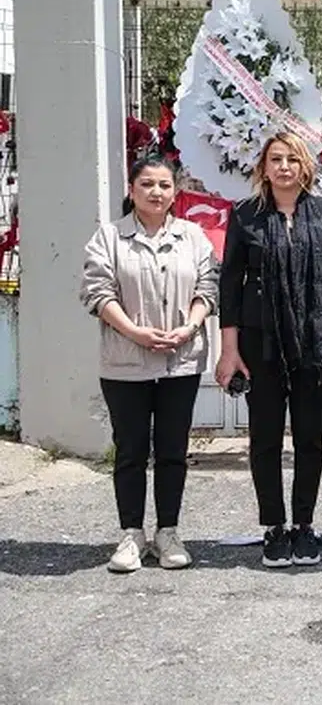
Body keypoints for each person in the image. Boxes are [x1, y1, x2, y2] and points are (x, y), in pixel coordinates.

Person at [80, 156, 218, 573]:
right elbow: (96, 292)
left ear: (175, 191)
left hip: (180, 361)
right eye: (147, 184)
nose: (156, 192)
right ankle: (131, 534)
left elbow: (208, 287)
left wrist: (189, 327)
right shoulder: (109, 237)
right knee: (131, 450)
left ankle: (168, 533)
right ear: (132, 190)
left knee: (173, 451)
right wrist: (136, 333)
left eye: (164, 185)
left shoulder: (193, 236)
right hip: (125, 363)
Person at [216, 133, 322, 569]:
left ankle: (304, 526)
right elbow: (230, 287)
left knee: (310, 439)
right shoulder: (246, 216)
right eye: (276, 159)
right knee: (265, 438)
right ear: (264, 167)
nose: (285, 167)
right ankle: (274, 526)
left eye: (293, 159)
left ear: (306, 165)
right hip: (260, 344)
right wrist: (229, 351)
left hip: (315, 342)